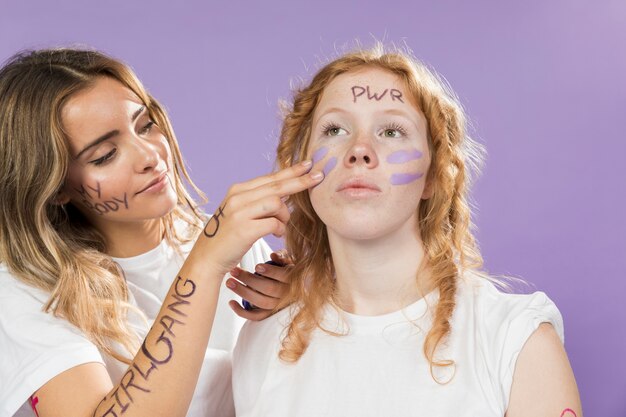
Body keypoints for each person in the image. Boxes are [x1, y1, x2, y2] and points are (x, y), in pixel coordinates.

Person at [232, 45, 583, 417]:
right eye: (335, 129)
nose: (359, 150)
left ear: (434, 175)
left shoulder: (516, 342)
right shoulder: (264, 339)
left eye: (392, 131)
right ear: (301, 166)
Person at [0, 48, 324, 417]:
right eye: (105, 154)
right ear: (55, 186)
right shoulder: (25, 292)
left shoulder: (222, 243)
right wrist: (205, 264)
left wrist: (301, 303)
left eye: (146, 125)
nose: (149, 156)